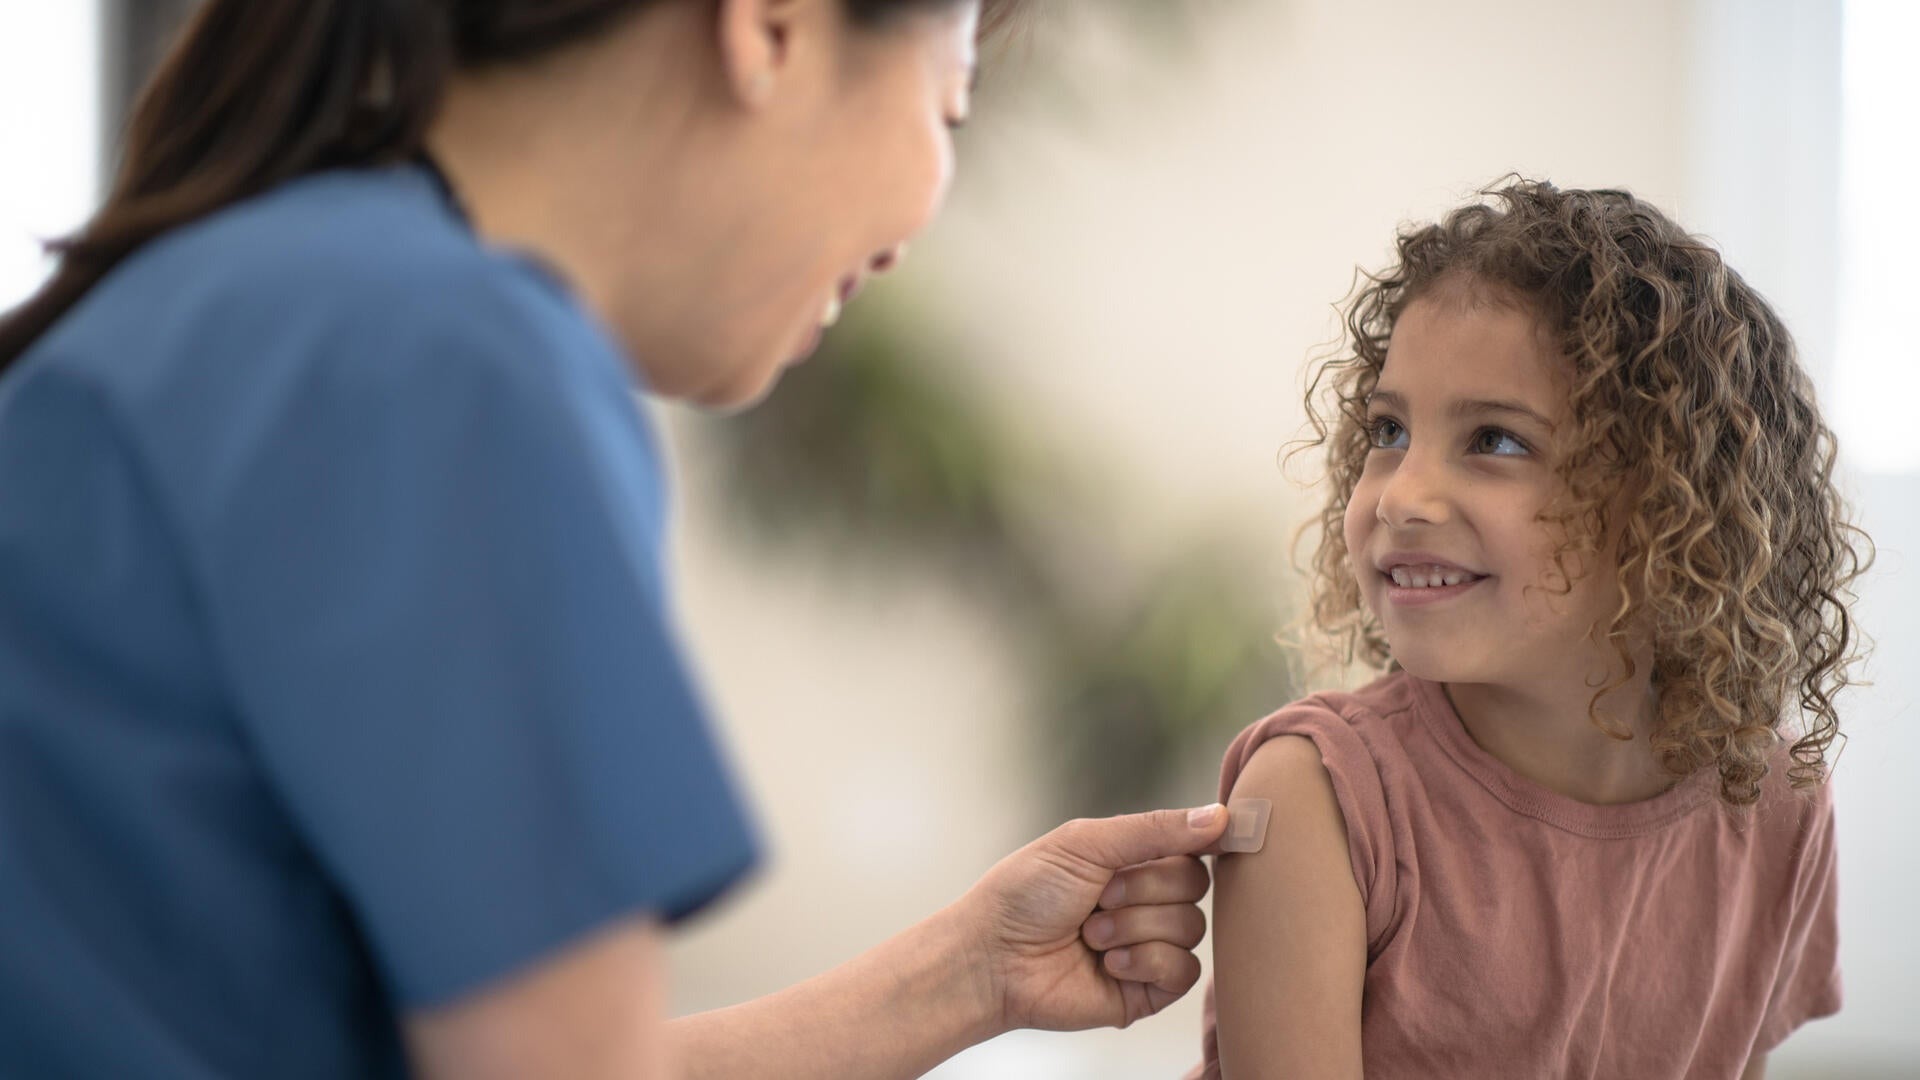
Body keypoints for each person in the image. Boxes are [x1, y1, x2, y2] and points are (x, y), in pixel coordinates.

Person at [0, 2, 1237, 1077]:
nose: (914, 225)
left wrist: (967, 978)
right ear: (772, 26)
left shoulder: (247, 296)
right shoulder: (448, 360)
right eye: (948, 109)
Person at [1190, 179, 1868, 1079]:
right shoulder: (1316, 801)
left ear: (1669, 504)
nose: (1399, 494)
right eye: (1388, 430)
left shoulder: (1773, 797)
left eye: (1495, 442)